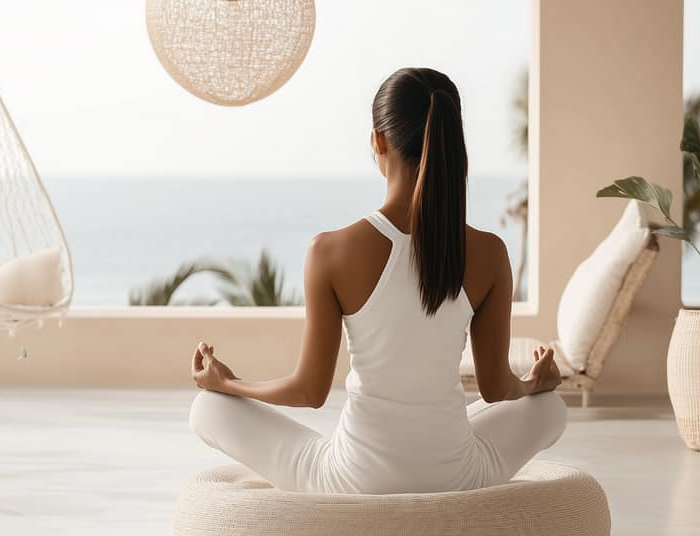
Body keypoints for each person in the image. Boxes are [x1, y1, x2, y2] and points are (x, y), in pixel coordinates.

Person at [188, 67, 567, 494]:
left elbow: (310, 391)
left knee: (208, 409)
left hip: (351, 481)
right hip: (459, 477)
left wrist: (227, 384)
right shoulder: (489, 252)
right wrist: (537, 383)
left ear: (378, 141)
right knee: (550, 409)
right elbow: (497, 389)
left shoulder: (328, 251)